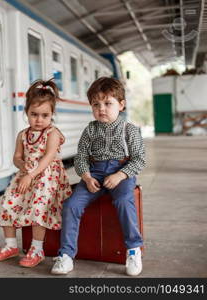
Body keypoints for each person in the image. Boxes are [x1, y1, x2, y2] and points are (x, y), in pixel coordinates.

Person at [51, 77, 145, 276]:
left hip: (122, 172)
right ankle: (66, 255)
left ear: (121, 105)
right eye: (96, 104)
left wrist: (120, 175)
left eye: (108, 103)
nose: (101, 108)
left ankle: (133, 250)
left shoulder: (130, 130)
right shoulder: (90, 130)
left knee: (122, 200)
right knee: (71, 205)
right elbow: (81, 158)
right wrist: (86, 177)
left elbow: (139, 160)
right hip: (94, 173)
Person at [0, 79, 72, 268]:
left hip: (46, 177)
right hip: (26, 175)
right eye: (34, 114)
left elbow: (49, 157)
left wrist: (31, 174)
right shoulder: (23, 134)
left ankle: (37, 249)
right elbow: (16, 157)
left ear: (52, 115)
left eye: (45, 115)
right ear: (26, 112)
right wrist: (22, 166)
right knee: (9, 202)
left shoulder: (52, 133)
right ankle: (10, 245)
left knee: (38, 207)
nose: (39, 119)